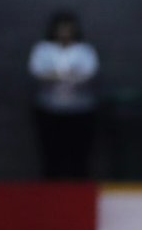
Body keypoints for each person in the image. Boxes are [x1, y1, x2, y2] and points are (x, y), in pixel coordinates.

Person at [28, 11, 100, 179]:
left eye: (69, 28)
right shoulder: (43, 49)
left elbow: (89, 74)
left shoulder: (85, 50)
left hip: (80, 110)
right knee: (51, 155)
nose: (65, 32)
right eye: (61, 28)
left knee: (79, 156)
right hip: (49, 109)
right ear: (54, 29)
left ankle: (79, 194)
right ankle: (50, 193)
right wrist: (69, 75)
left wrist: (55, 75)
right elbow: (37, 72)